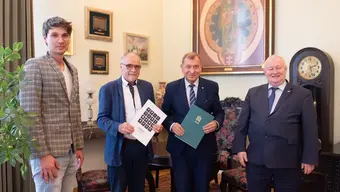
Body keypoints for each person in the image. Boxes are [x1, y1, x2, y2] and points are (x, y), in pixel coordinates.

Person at [232, 55, 319, 192]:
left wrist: (309, 158)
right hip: (256, 160)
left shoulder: (302, 95)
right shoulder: (253, 93)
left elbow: (310, 129)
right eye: (270, 68)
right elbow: (242, 124)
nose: (275, 72)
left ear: (285, 69)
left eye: (278, 68)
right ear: (265, 71)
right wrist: (239, 148)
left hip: (288, 161)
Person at [19, 17, 84, 192]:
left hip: (70, 153)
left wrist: (78, 146)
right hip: (48, 155)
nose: (60, 40)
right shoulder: (34, 65)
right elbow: (29, 114)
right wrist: (42, 155)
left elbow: (75, 110)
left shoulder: (73, 70)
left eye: (64, 35)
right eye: (54, 35)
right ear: (45, 39)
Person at [97, 52, 163, 192]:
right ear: (121, 67)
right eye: (129, 66)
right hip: (119, 148)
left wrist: (156, 127)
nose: (133, 70)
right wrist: (118, 126)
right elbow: (101, 119)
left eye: (137, 66)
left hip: (141, 147)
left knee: (138, 188)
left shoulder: (147, 87)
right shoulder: (108, 89)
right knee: (118, 188)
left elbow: (151, 114)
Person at [162, 52, 225, 192]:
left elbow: (219, 112)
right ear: (182, 68)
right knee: (182, 187)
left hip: (203, 147)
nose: (192, 70)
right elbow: (164, 114)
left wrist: (216, 123)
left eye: (195, 66)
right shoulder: (172, 87)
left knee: (202, 187)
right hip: (179, 147)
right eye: (188, 67)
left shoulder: (211, 87)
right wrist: (171, 125)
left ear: (201, 68)